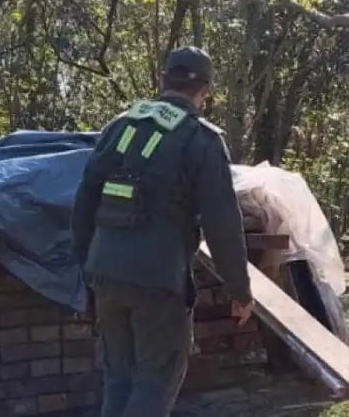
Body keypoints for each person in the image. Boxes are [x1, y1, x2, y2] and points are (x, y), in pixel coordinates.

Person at [71, 46, 255, 417]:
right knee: (155, 382)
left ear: (161, 81)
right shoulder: (200, 139)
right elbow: (223, 223)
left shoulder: (120, 127)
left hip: (105, 273)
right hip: (158, 281)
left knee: (119, 379)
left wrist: (86, 272)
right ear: (205, 92)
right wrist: (239, 290)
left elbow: (84, 204)